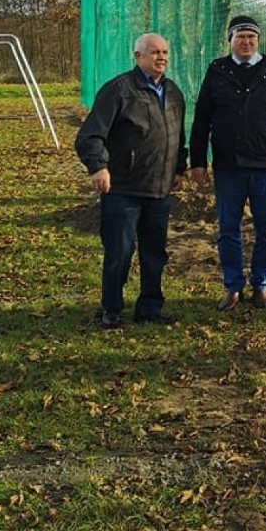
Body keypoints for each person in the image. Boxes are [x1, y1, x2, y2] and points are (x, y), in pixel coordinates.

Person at [189, 15, 266, 310]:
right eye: (240, 37)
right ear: (230, 40)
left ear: (258, 41)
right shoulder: (217, 71)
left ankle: (261, 285)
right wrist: (198, 161)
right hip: (228, 165)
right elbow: (202, 119)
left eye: (251, 37)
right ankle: (233, 286)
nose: (246, 42)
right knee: (228, 227)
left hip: (265, 164)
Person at [75, 32, 187, 328]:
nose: (161, 57)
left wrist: (179, 167)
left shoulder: (174, 92)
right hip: (123, 189)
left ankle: (150, 308)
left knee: (155, 253)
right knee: (120, 251)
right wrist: (98, 166)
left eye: (165, 52)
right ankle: (111, 308)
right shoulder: (119, 90)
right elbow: (90, 134)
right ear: (137, 57)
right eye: (154, 52)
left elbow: (177, 134)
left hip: (159, 189)